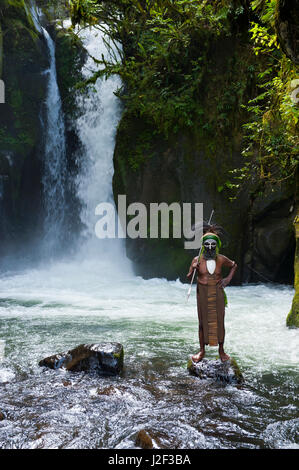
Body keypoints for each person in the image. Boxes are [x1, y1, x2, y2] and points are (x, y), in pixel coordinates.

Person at [187, 230, 237, 362]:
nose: (210, 247)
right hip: (202, 292)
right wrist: (193, 268)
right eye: (207, 245)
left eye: (213, 245)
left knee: (219, 321)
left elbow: (234, 265)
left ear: (217, 246)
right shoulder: (197, 260)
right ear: (203, 246)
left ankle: (221, 351)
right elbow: (188, 277)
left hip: (217, 292)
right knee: (202, 322)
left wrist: (227, 280)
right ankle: (202, 351)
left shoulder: (221, 259)